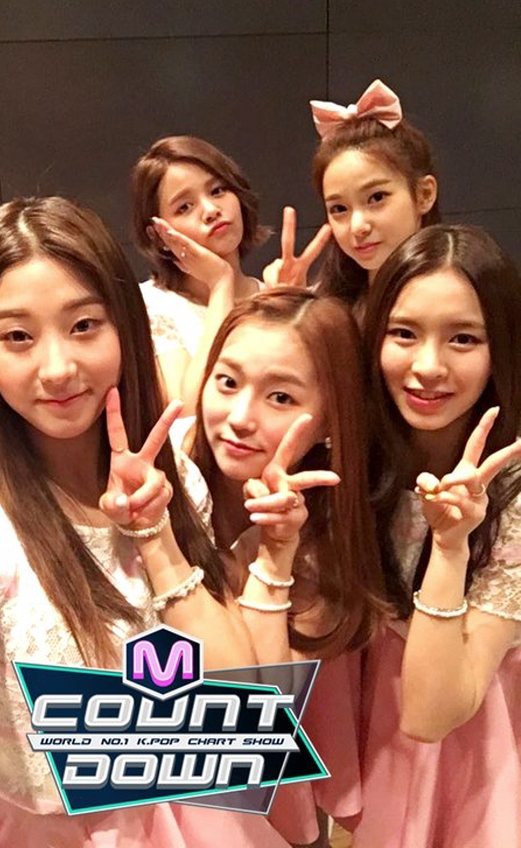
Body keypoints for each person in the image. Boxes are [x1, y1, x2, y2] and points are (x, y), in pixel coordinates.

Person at [0, 198, 293, 848]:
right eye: (18, 337)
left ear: (124, 325)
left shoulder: (175, 478)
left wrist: (156, 535)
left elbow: (237, 696)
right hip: (47, 828)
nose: (56, 368)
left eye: (83, 325)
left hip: (193, 802)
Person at [184, 287, 386, 842]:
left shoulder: (328, 541)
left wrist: (277, 550)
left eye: (280, 397)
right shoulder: (165, 482)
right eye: (227, 382)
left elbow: (254, 717)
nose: (239, 418)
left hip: (257, 803)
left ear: (330, 421)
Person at [357, 224, 521, 847]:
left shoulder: (513, 490)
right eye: (404, 333)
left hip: (476, 748)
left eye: (463, 338)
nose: (428, 366)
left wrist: (450, 549)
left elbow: (432, 715)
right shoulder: (356, 460)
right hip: (371, 736)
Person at [132, 136, 329, 406]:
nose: (211, 210)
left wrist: (291, 306)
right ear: (158, 236)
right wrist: (220, 284)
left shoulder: (276, 293)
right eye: (185, 207)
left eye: (217, 191)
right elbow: (187, 409)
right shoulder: (151, 306)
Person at [309, 79, 439, 311]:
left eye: (377, 198)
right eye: (339, 209)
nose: (358, 227)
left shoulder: (466, 296)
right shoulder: (328, 306)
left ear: (424, 194)